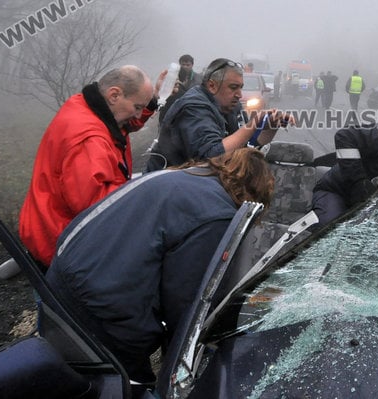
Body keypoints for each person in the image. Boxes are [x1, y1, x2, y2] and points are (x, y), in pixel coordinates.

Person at [46, 147, 274, 392]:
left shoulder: (185, 176)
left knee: (63, 378)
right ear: (256, 194)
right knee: (128, 386)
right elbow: (187, 304)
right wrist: (183, 370)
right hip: (99, 308)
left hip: (60, 275)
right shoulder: (217, 215)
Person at [19, 65, 160, 266]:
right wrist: (147, 194)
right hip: (60, 241)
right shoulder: (88, 141)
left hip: (48, 223)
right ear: (114, 95)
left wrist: (150, 102)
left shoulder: (87, 105)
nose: (138, 116)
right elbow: (96, 208)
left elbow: (123, 125)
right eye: (138, 107)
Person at [145, 58, 294, 172]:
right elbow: (212, 158)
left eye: (241, 88)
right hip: (169, 188)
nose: (239, 94)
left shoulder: (230, 106)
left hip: (197, 184)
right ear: (212, 85)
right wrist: (252, 124)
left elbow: (245, 150)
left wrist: (270, 127)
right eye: (233, 87)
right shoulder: (193, 107)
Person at [160, 54, 203, 125]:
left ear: (192, 65)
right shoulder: (172, 77)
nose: (185, 67)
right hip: (171, 112)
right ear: (180, 64)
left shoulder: (199, 79)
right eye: (183, 64)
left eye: (188, 65)